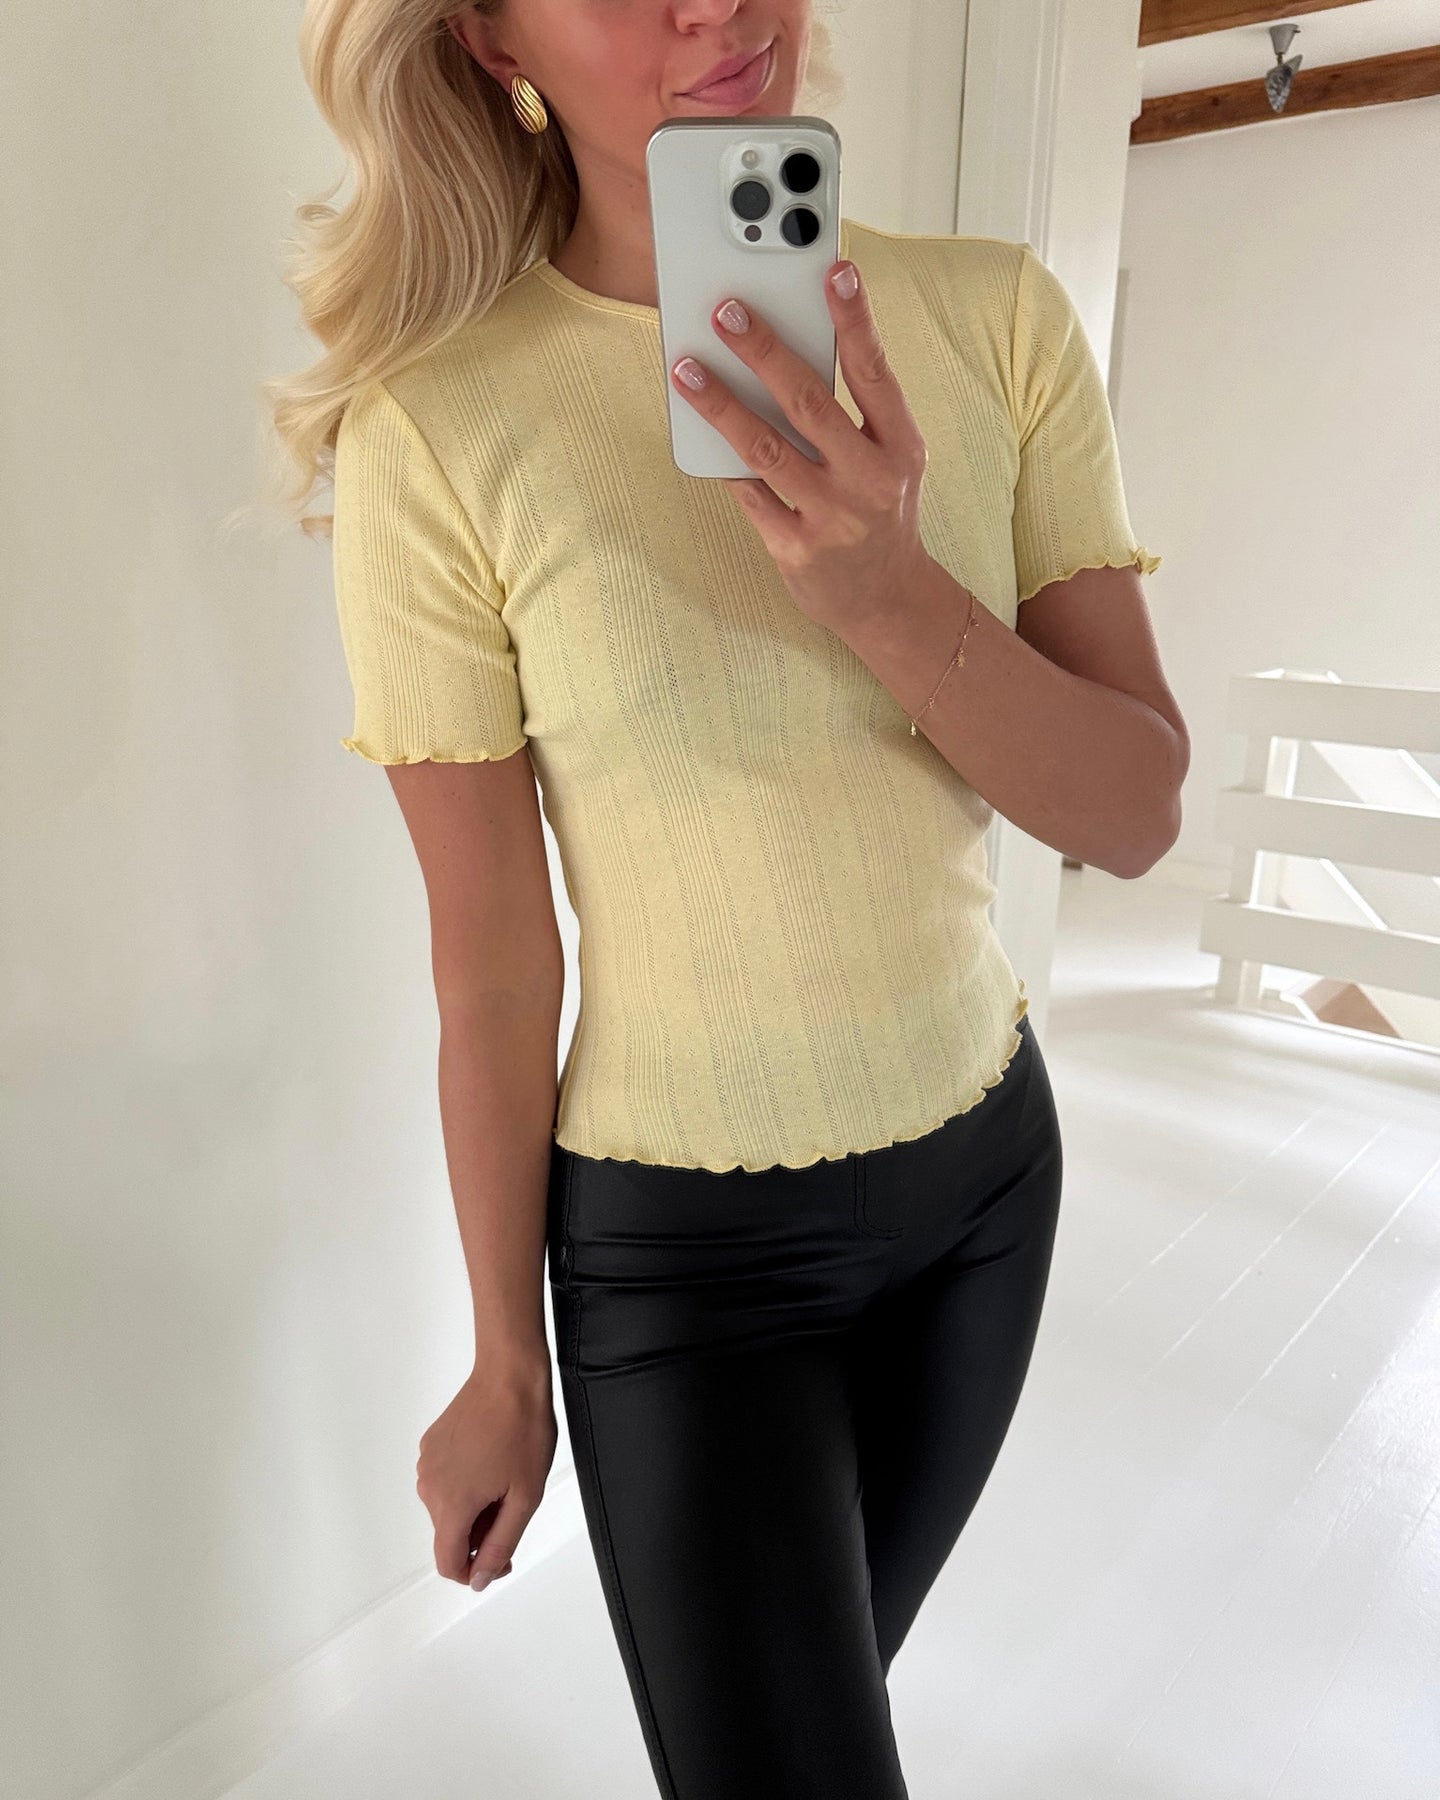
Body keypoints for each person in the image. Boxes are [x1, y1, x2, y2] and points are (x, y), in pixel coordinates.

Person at [265, 2, 1188, 1794]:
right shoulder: (435, 431)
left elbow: (1136, 813)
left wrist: (892, 593)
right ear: (493, 41)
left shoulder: (997, 318)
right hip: (694, 1268)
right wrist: (503, 1357)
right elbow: (493, 961)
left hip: (988, 1190)